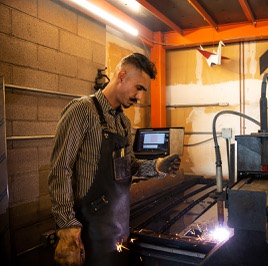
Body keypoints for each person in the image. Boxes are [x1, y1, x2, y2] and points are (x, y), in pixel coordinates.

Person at [48, 53, 181, 265]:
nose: (140, 97)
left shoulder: (123, 123)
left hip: (118, 228)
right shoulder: (82, 110)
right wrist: (67, 227)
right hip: (87, 231)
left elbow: (128, 167)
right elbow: (60, 169)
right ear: (121, 76)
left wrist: (157, 166)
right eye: (139, 88)